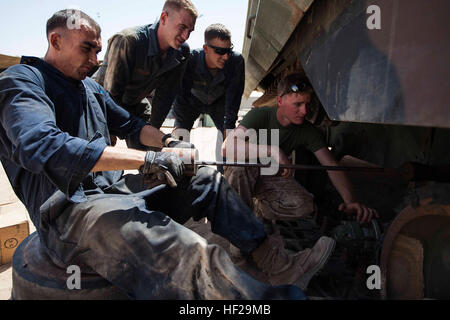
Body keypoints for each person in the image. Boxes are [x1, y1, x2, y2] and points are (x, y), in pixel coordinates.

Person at [0, 10, 335, 300]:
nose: (94, 60)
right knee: (182, 248)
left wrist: (169, 145)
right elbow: (42, 146)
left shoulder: (89, 87)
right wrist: (146, 160)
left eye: (98, 51)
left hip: (113, 194)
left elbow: (132, 125)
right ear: (55, 41)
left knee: (205, 178)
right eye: (86, 49)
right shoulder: (23, 83)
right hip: (67, 212)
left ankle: (275, 264)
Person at [222, 73, 379, 227]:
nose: (304, 111)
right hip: (244, 176)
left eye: (307, 104)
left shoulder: (306, 131)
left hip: (268, 180)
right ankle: (240, 227)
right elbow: (227, 148)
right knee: (239, 168)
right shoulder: (260, 115)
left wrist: (350, 201)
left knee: (305, 206)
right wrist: (273, 151)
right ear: (280, 101)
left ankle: (260, 208)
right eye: (297, 104)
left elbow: (331, 166)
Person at [92, 0, 197, 132]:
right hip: (99, 104)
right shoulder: (129, 40)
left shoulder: (181, 52)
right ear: (164, 18)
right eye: (182, 27)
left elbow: (166, 96)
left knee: (152, 144)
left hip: (135, 102)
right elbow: (111, 93)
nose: (185, 36)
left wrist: (152, 132)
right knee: (100, 148)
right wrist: (110, 130)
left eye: (190, 31)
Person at [172, 23, 244, 140]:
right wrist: (180, 124)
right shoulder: (190, 60)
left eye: (228, 50)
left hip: (219, 103)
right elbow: (181, 96)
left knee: (230, 141)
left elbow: (234, 98)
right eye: (220, 51)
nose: (226, 57)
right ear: (205, 49)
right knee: (179, 138)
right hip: (192, 102)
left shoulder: (236, 61)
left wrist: (229, 128)